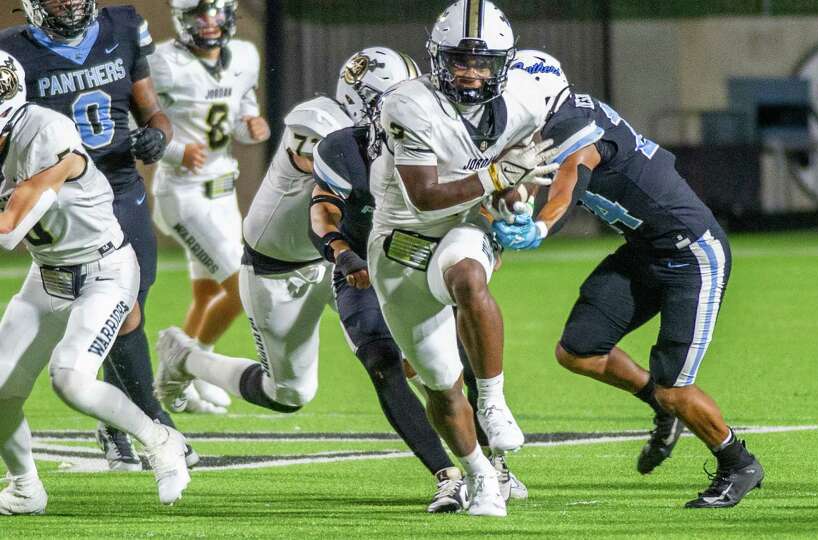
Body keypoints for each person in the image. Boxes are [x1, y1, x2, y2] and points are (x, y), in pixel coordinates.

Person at [154, 48, 470, 512]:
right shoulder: (318, 123)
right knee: (288, 394)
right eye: (395, 97)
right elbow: (336, 200)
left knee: (399, 357)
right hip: (280, 269)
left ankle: (463, 470)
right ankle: (186, 358)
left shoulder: (383, 133)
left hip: (343, 261)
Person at [493, 50, 764, 509]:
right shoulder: (556, 117)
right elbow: (536, 174)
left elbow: (569, 178)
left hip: (692, 254)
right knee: (578, 350)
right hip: (646, 250)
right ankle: (659, 405)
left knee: (676, 387)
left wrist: (540, 225)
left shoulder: (574, 127)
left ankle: (738, 462)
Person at [368, 0, 557, 517]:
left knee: (469, 277)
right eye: (459, 61)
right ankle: (480, 476)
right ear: (437, 59)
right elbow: (424, 196)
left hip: (459, 230)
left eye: (483, 63)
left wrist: (519, 204)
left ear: (503, 64)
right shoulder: (408, 104)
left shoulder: (522, 101)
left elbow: (519, 171)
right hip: (401, 244)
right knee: (443, 387)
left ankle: (493, 400)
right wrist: (499, 179)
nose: (472, 74)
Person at [0, 0, 196, 471]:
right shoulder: (13, 52)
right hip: (61, 198)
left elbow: (153, 112)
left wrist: (159, 137)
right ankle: (143, 418)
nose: (67, 3)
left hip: (119, 185)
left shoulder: (122, 25)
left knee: (128, 309)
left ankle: (124, 420)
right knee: (113, 307)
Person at [149, 0, 270, 414]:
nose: (208, 21)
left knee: (205, 296)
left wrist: (252, 126)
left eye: (214, 11)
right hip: (183, 194)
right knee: (243, 288)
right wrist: (176, 151)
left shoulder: (244, 56)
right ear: (182, 20)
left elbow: (240, 113)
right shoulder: (162, 62)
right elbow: (134, 124)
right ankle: (183, 371)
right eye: (198, 14)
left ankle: (182, 374)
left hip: (223, 193)